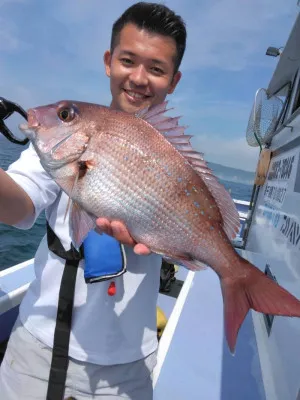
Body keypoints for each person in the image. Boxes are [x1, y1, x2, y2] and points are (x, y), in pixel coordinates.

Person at [0, 2, 186, 399]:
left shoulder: (175, 158)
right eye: (128, 60)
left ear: (174, 80)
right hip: (35, 351)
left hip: (127, 370)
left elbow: (193, 224)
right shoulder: (67, 136)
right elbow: (18, 205)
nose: (138, 78)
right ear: (108, 61)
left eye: (156, 69)